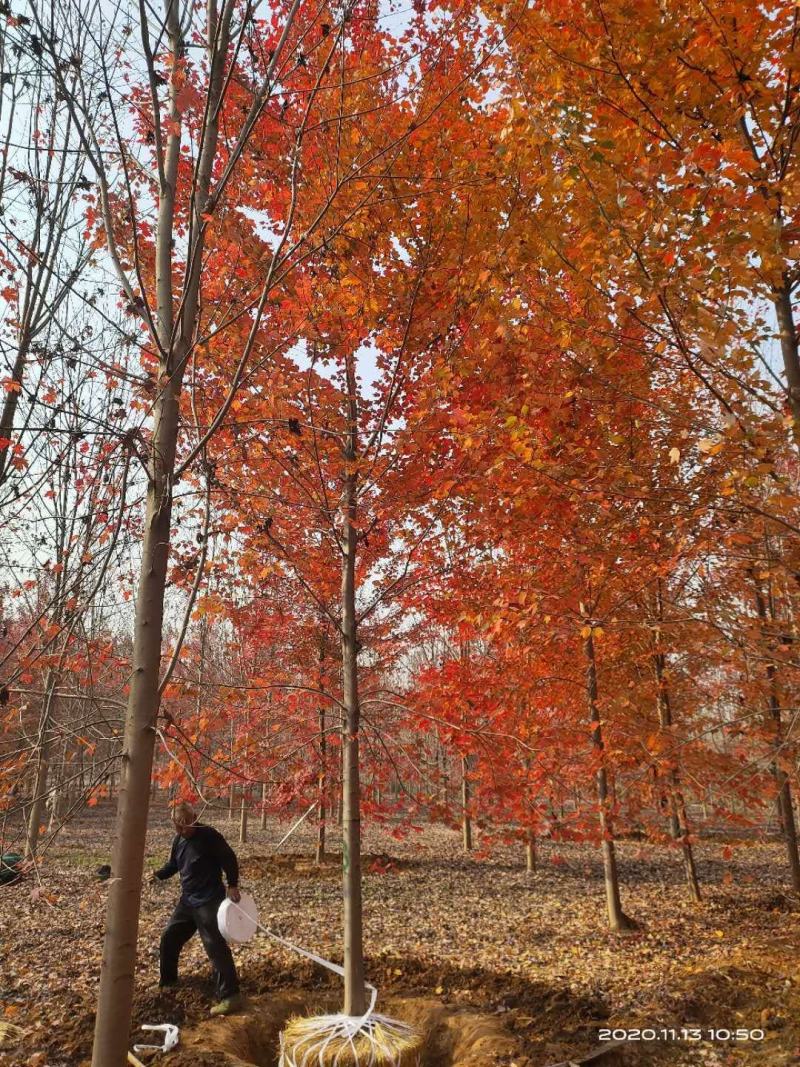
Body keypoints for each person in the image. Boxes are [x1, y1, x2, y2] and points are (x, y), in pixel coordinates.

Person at [151, 801, 243, 1015]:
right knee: (169, 937)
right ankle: (168, 982)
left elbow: (229, 858)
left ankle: (230, 996)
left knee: (215, 946)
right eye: (177, 826)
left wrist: (232, 884)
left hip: (210, 900)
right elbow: (173, 865)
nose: (180, 830)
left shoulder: (209, 836)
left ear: (193, 820)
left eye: (184, 826)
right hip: (188, 901)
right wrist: (158, 875)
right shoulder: (179, 840)